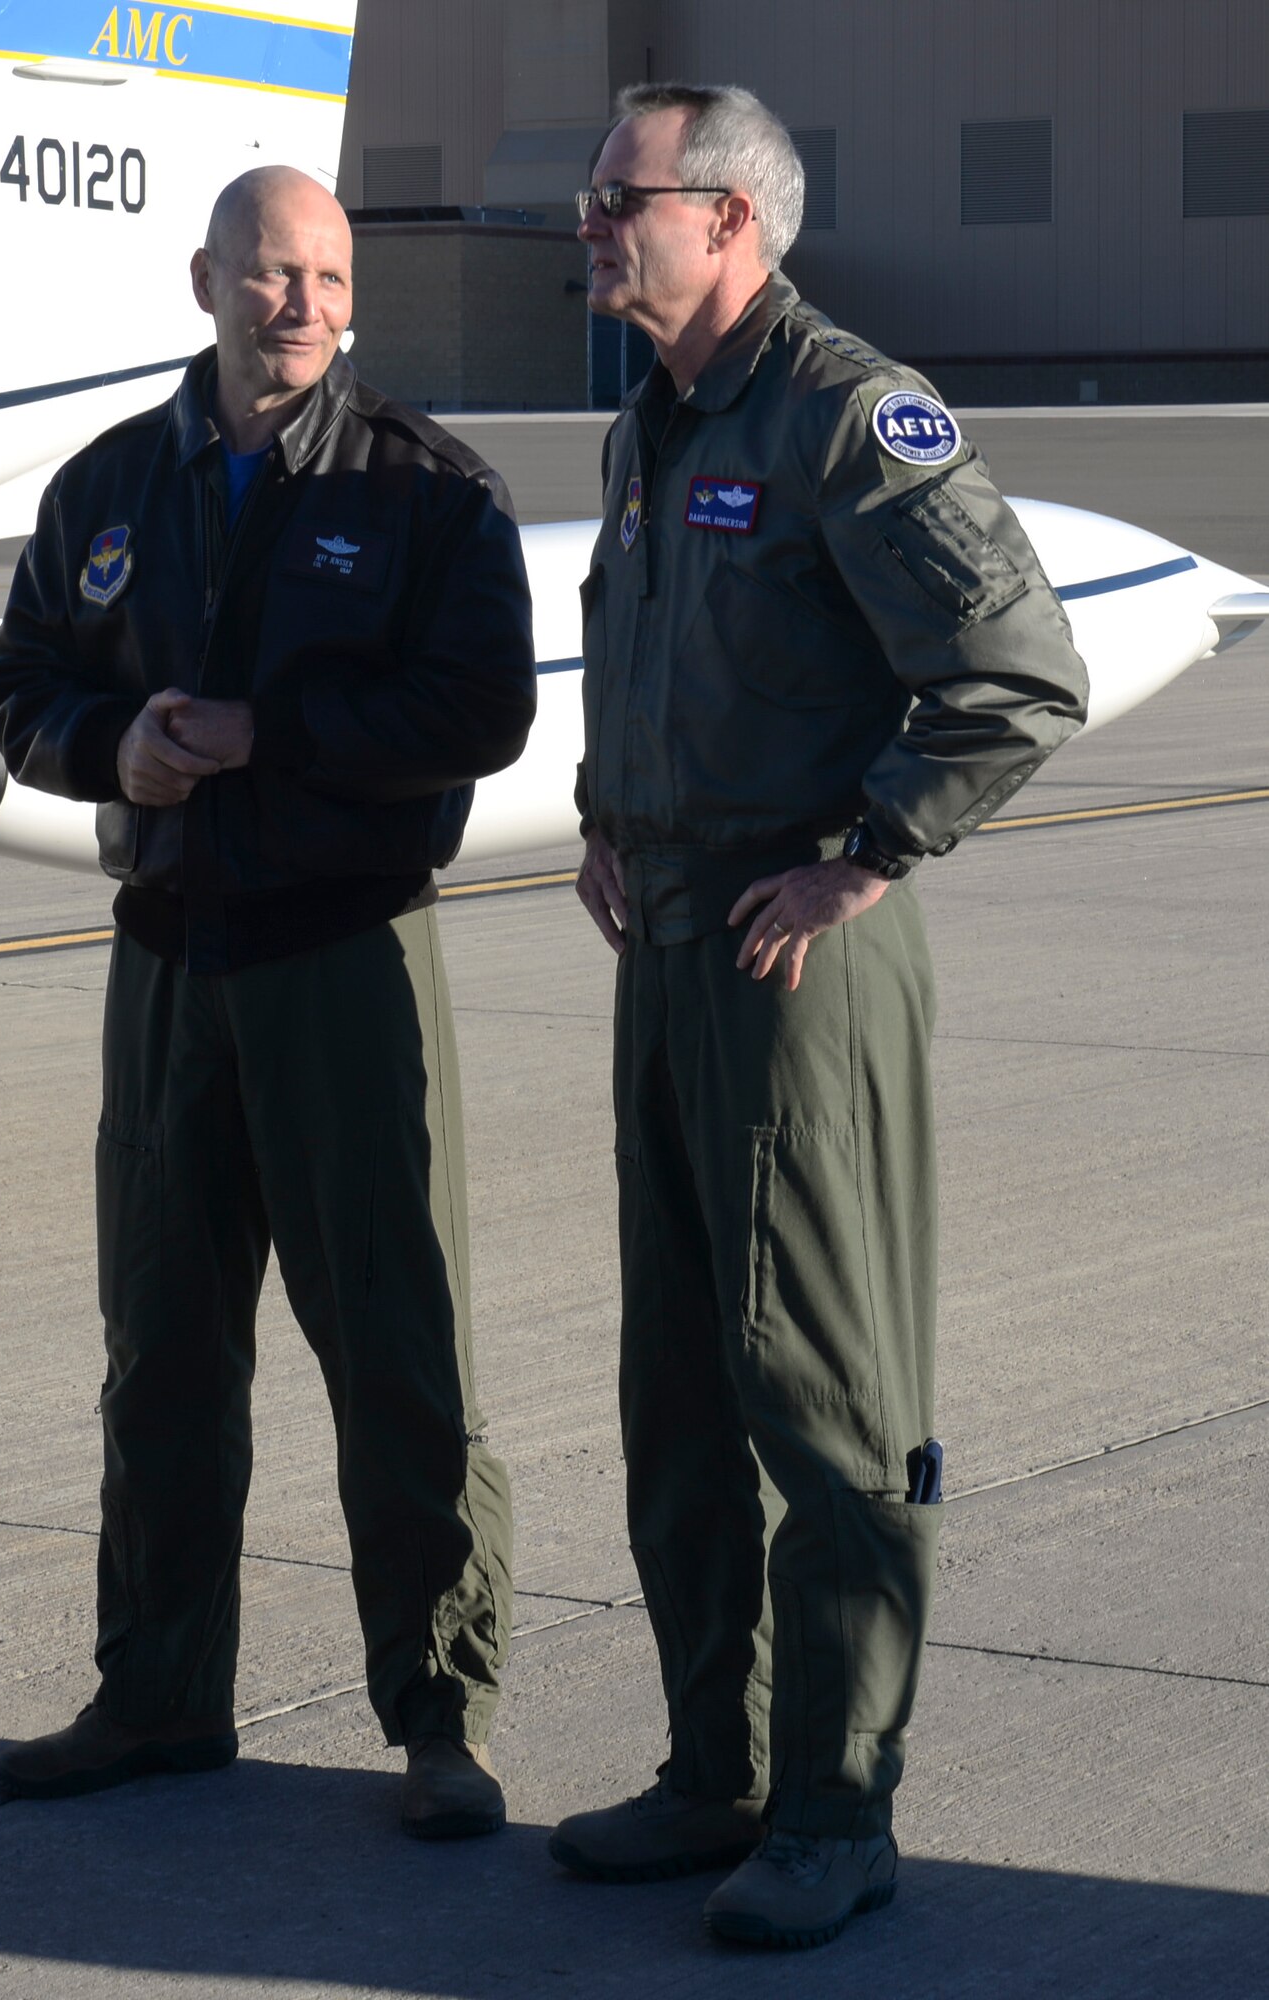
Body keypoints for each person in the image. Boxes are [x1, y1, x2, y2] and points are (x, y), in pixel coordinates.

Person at [550, 84, 1089, 1946]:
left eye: (624, 198)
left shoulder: (849, 413)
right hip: (670, 948)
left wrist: (866, 852)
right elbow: (661, 653)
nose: (592, 223)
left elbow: (1017, 674)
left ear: (733, 223)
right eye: (597, 196)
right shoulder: (655, 419)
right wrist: (616, 823)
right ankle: (718, 1774)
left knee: (820, 1387)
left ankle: (838, 1811)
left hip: (798, 962)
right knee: (679, 1384)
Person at [0, 166, 536, 1840]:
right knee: (159, 1348)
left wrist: (265, 738)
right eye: (264, 274)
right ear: (202, 279)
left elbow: (484, 710)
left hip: (339, 964)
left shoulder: (428, 490)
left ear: (352, 299)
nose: (293, 304)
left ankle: (439, 1717)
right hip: (164, 961)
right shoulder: (104, 485)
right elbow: (22, 685)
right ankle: (157, 1693)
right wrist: (109, 748)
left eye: (323, 278)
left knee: (392, 1344)